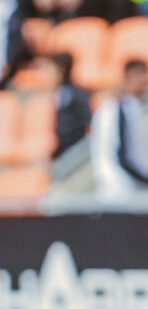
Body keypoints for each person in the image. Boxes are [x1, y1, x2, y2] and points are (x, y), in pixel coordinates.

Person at [90, 59, 148, 201]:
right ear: (129, 77)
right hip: (120, 190)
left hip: (126, 187)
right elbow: (121, 153)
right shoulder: (118, 108)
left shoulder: (129, 106)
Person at [43, 52, 91, 159]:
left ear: (61, 70)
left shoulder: (77, 94)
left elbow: (87, 119)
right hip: (61, 146)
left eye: (52, 71)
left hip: (73, 147)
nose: (49, 75)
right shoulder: (59, 91)